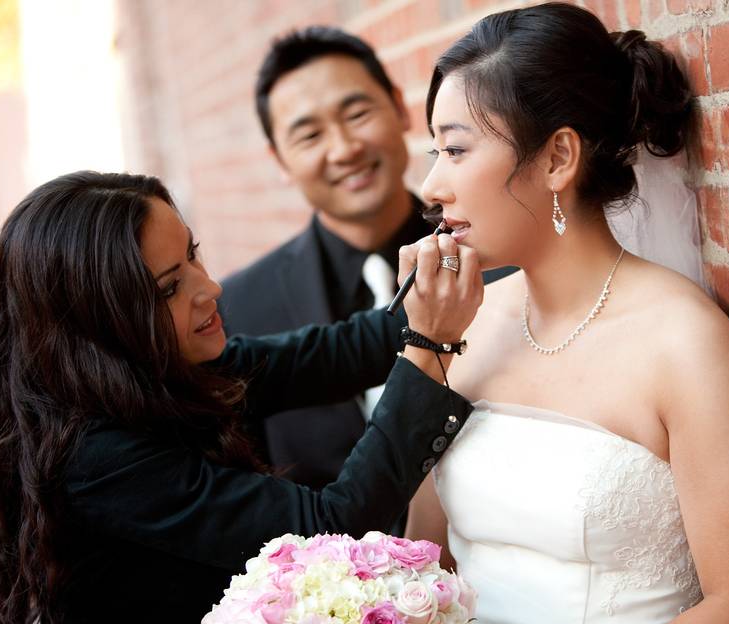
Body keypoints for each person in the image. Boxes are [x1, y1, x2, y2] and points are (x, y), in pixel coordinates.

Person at [405, 4, 729, 624]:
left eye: (455, 149)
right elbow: (423, 562)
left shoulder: (683, 342)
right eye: (433, 151)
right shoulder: (459, 323)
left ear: (558, 157)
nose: (430, 184)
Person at [0, 171, 482, 624]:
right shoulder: (96, 459)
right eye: (170, 287)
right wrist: (429, 344)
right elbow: (331, 525)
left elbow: (334, 352)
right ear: (98, 328)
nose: (209, 288)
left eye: (192, 255)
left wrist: (480, 280)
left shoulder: (170, 369)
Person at [219, 26, 513, 491]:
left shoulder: (503, 261)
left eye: (356, 114)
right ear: (279, 160)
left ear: (399, 107)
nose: (344, 149)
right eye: (309, 134)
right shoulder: (237, 308)